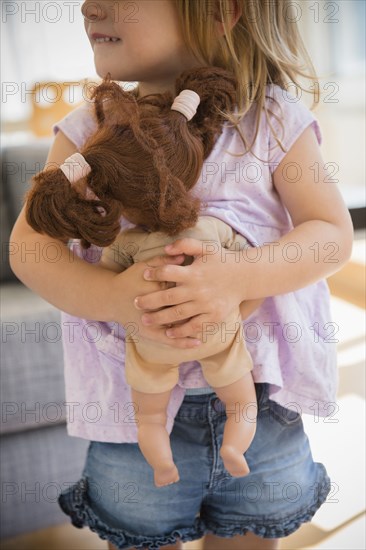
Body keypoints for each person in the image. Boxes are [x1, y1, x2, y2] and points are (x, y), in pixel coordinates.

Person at [10, 1, 354, 549]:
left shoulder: (271, 119)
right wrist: (115, 297)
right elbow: (30, 247)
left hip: (259, 400)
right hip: (129, 409)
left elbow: (330, 234)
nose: (87, 5)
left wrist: (238, 277)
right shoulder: (88, 132)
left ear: (220, 12)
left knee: (248, 537)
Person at [25, 68, 262, 487]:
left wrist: (120, 300)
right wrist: (239, 310)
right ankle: (234, 447)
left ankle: (161, 463)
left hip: (152, 339)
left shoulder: (126, 243)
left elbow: (106, 278)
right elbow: (248, 275)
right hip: (217, 332)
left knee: (149, 417)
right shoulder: (213, 229)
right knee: (241, 405)